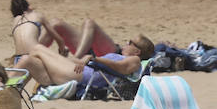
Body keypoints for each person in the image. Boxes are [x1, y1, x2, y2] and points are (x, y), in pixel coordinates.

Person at [13, 35, 153, 89]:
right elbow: (81, 62)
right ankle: (11, 92)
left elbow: (119, 68)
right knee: (28, 60)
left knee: (37, 48)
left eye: (131, 42)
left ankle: (2, 90)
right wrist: (65, 58)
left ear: (137, 52)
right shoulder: (122, 56)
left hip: (80, 76)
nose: (126, 42)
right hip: (76, 70)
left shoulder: (135, 61)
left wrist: (93, 58)